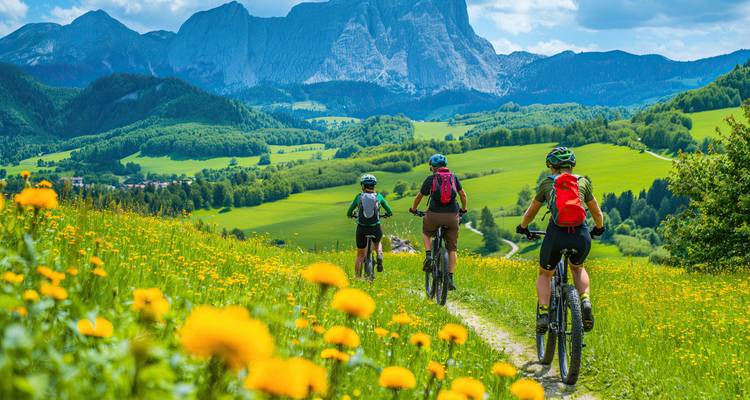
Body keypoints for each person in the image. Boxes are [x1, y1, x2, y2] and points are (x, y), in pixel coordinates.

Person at [516, 146, 605, 334]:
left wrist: (523, 227)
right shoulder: (583, 182)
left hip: (556, 235)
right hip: (580, 234)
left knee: (545, 274)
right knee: (578, 267)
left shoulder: (547, 183)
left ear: (552, 166)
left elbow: (531, 211)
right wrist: (598, 228)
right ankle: (585, 301)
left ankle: (544, 314)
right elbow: (596, 211)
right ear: (571, 166)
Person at [409, 154, 468, 290]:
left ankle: (429, 255)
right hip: (452, 216)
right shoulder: (453, 178)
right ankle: (450, 278)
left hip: (434, 215)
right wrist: (463, 210)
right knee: (452, 248)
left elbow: (419, 197)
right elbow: (463, 195)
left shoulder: (431, 179)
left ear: (432, 168)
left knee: (426, 232)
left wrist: (413, 209)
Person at [346, 174, 393, 277]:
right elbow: (390, 211)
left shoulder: (359, 197)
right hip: (375, 228)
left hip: (361, 229)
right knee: (377, 243)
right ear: (374, 186)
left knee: (360, 255)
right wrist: (387, 214)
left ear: (363, 186)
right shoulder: (378, 197)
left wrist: (351, 215)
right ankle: (379, 255)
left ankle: (357, 278)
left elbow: (349, 212)